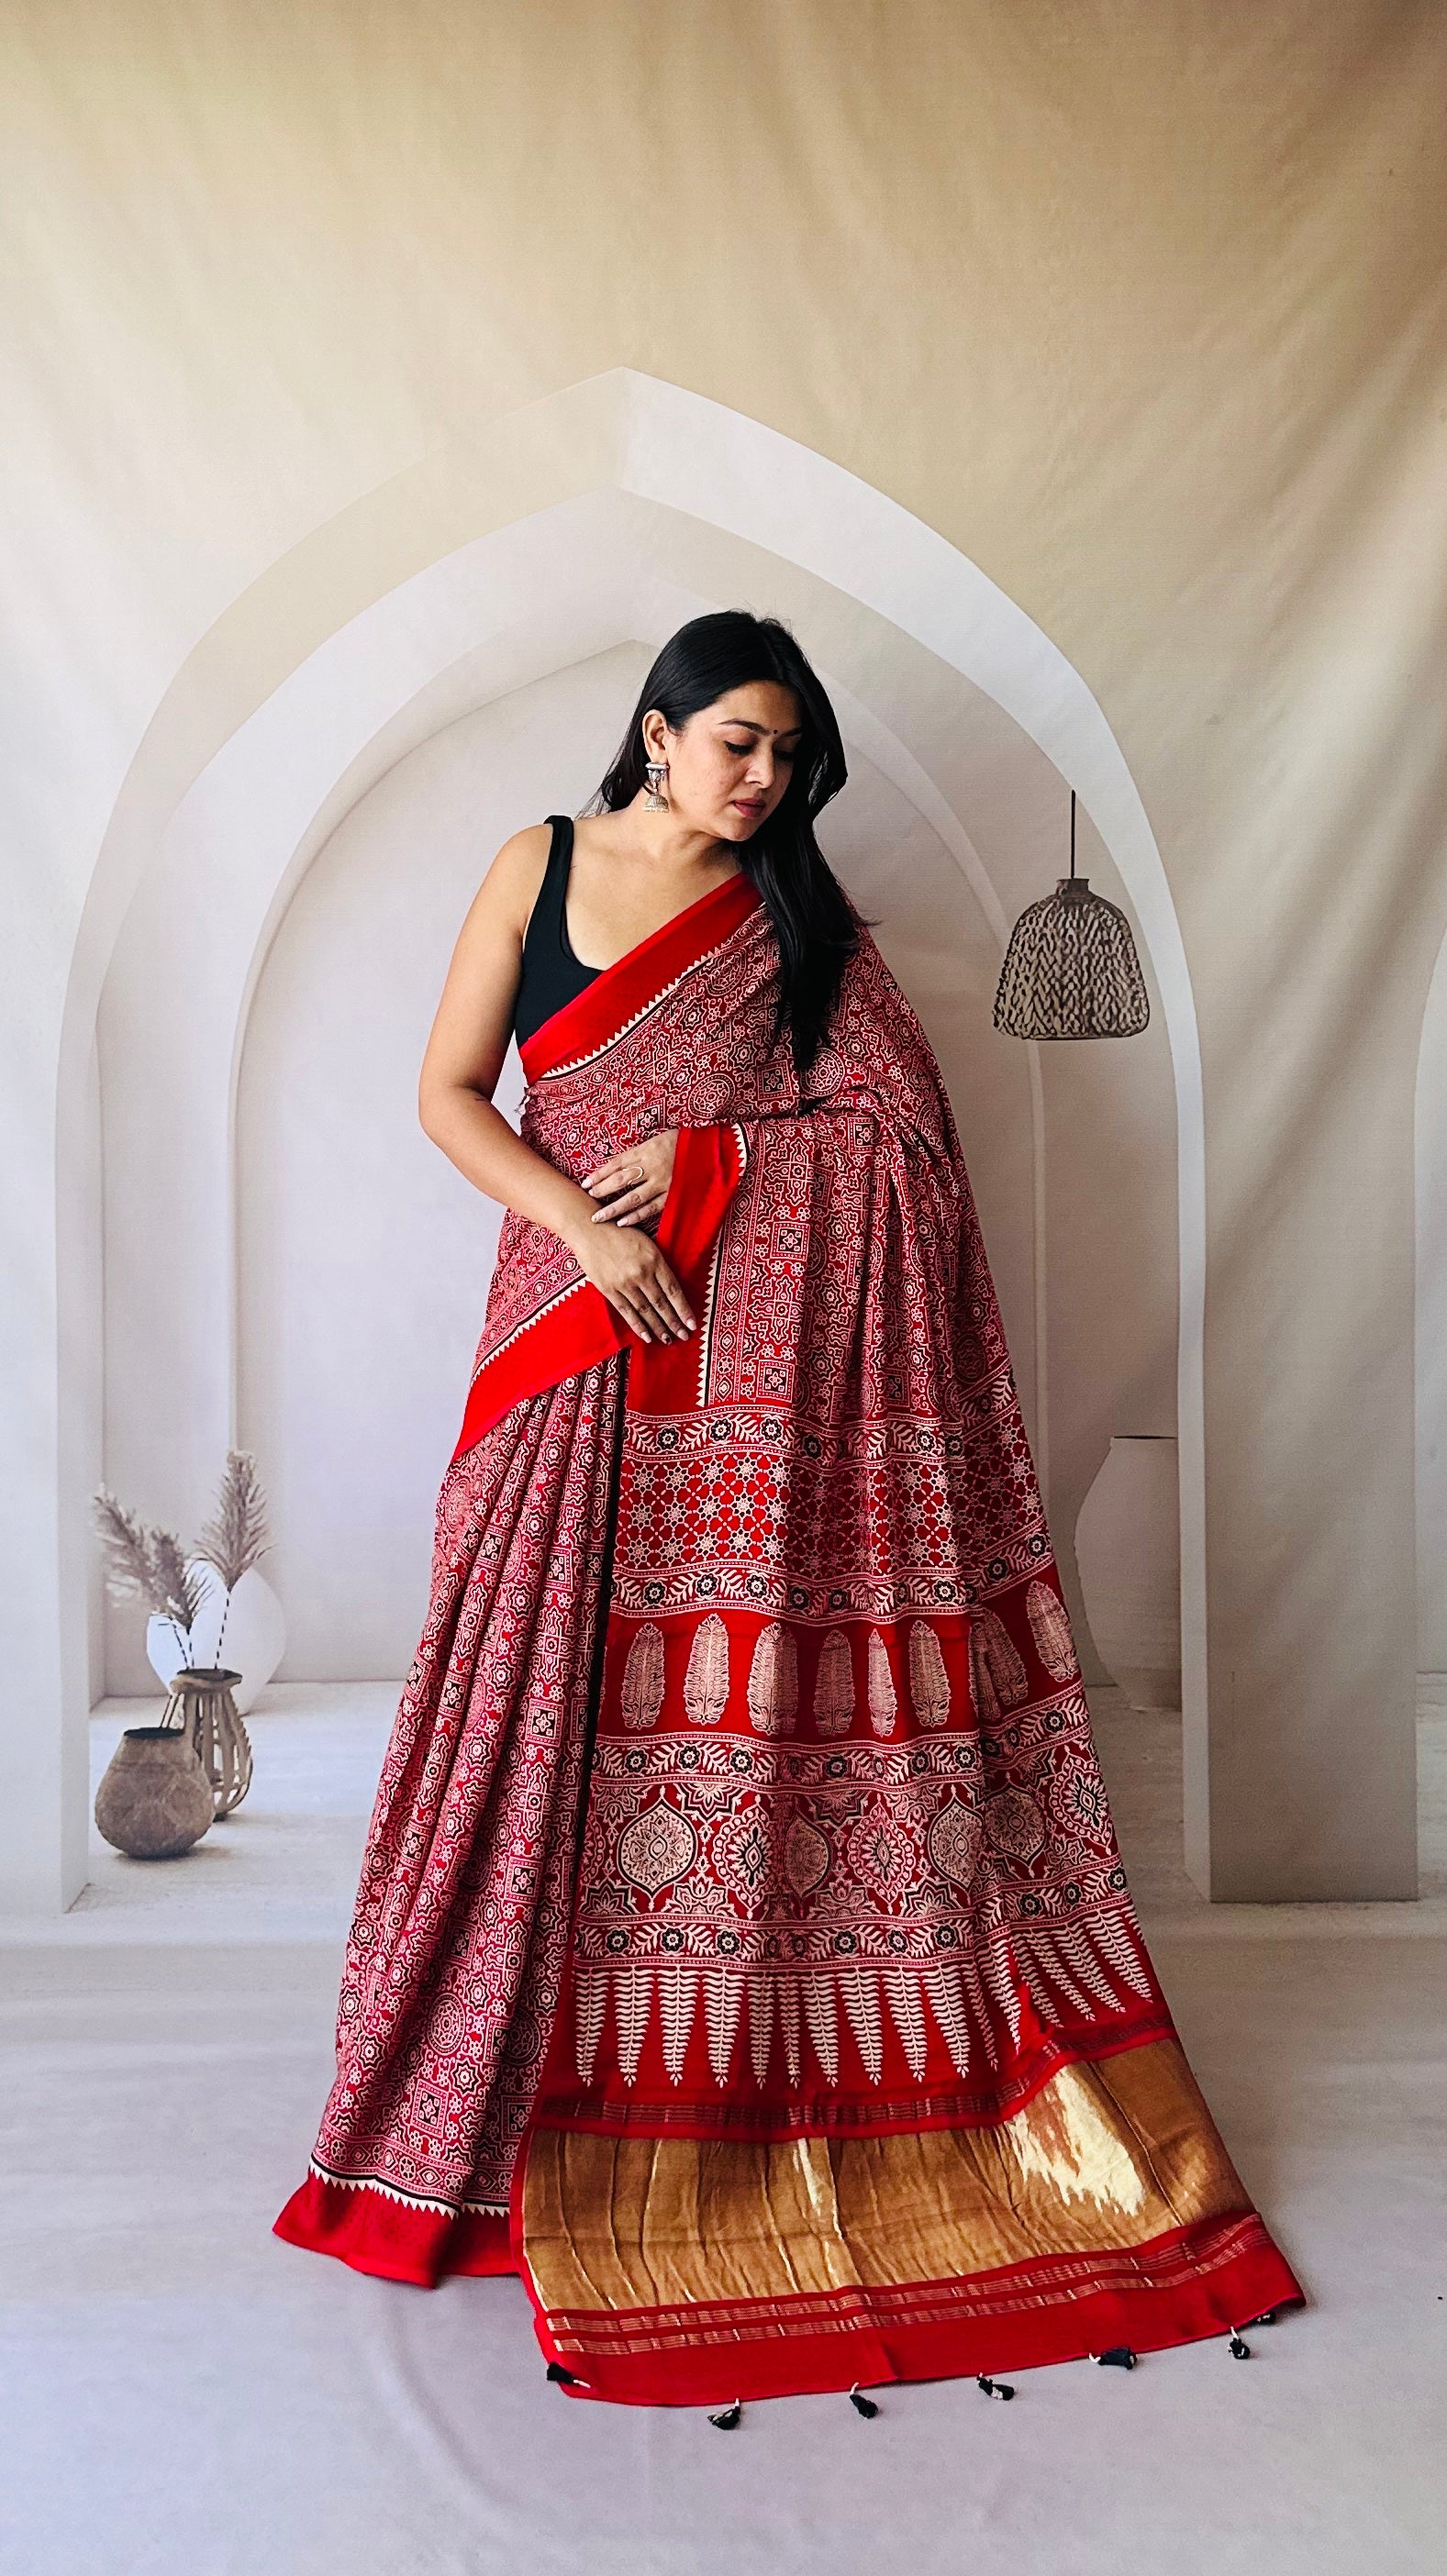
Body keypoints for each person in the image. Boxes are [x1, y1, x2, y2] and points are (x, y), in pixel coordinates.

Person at [274, 610, 1301, 2409]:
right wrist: (587, 1227)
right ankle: (471, 2113)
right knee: (514, 1691)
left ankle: (723, 2082)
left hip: (749, 1376)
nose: (763, 778)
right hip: (565, 1333)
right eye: (738, 741)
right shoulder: (537, 864)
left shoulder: (796, 922)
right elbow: (448, 1095)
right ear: (656, 733)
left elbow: (906, 1148)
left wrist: (720, 1161)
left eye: (788, 754)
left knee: (726, 1713)